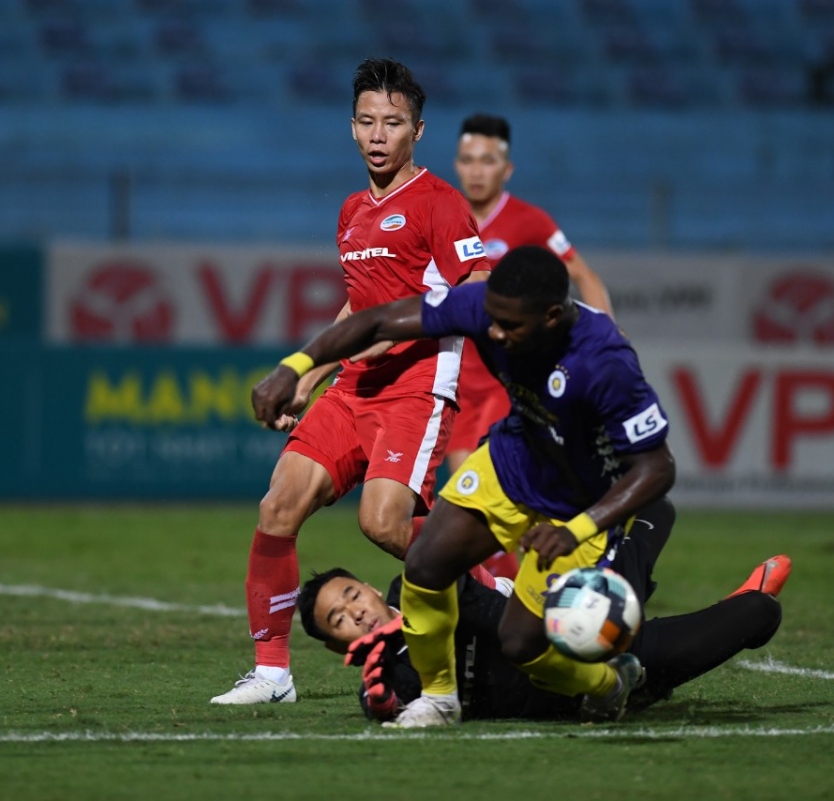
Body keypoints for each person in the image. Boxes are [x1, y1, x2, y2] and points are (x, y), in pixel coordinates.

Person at [251, 246, 674, 726]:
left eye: (509, 326)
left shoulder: (605, 361)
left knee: (521, 643)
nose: (493, 333)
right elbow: (379, 322)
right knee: (426, 562)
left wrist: (576, 530)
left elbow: (657, 468)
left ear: (552, 316)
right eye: (491, 318)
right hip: (511, 462)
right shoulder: (487, 306)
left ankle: (609, 682)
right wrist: (295, 367)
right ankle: (439, 697)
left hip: (575, 501)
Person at [211, 58, 491, 705]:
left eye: (392, 123)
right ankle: (273, 674)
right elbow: (358, 309)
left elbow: (474, 292)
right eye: (367, 121)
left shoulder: (441, 204)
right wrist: (314, 375)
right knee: (278, 504)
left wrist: (396, 333)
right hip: (355, 387)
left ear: (417, 131)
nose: (378, 134)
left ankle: (497, 590)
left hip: (418, 383)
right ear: (351, 128)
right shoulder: (351, 212)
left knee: (385, 524)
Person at [297, 497, 791, 722]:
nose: (355, 613)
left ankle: (623, 593)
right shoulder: (385, 680)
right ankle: (735, 603)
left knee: (656, 509)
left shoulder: (417, 586)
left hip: (571, 625)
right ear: (334, 645)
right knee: (759, 614)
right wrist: (380, 706)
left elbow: (494, 611)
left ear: (366, 586)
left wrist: (564, 634)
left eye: (350, 597)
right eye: (338, 619)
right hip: (595, 697)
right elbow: (390, 700)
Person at [451, 113, 613, 580]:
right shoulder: (444, 213)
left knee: (494, 492)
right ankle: (522, 594)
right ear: (457, 166)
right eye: (468, 160)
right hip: (459, 382)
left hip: (511, 382)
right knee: (478, 505)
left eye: (488, 161)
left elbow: (583, 276)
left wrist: (605, 343)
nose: (477, 170)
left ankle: (554, 587)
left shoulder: (528, 220)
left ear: (507, 169)